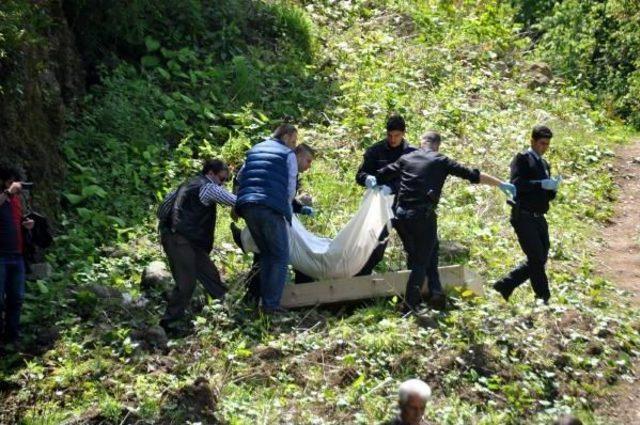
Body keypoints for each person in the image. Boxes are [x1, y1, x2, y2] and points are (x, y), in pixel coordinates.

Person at [377, 131, 516, 311]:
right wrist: (500, 184)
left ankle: (436, 294)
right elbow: (472, 175)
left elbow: (382, 174)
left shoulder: (407, 158)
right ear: (437, 145)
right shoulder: (440, 160)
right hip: (421, 216)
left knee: (431, 248)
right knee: (420, 261)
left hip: (400, 216)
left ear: (422, 143)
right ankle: (410, 305)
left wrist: (371, 179)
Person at [158, 159, 235, 331]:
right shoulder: (208, 187)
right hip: (180, 239)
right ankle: (169, 322)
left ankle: (227, 311)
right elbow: (235, 201)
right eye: (222, 179)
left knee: (210, 274)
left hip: (184, 238)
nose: (222, 184)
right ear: (211, 174)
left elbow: (162, 208)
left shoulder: (187, 184)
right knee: (186, 282)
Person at [235, 124, 299, 314]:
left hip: (247, 206)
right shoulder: (288, 155)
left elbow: (240, 176)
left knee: (266, 254)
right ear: (286, 136)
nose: (294, 146)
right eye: (294, 141)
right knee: (280, 256)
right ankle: (271, 306)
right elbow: (290, 188)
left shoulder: (255, 149)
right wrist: (286, 212)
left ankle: (263, 302)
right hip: (270, 207)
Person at [493, 125, 560, 304]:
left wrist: (552, 188)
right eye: (541, 143)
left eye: (547, 144)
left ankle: (505, 284)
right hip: (523, 215)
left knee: (540, 257)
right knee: (536, 258)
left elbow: (547, 194)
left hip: (539, 216)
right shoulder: (522, 158)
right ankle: (543, 296)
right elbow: (516, 183)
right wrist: (540, 184)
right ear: (532, 141)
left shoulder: (545, 164)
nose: (544, 147)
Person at [355, 114, 416, 275]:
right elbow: (360, 175)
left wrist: (392, 187)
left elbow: (414, 180)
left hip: (404, 205)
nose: (393, 139)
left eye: (397, 136)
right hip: (380, 208)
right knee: (374, 250)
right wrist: (367, 179)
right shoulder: (376, 151)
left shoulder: (413, 154)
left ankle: (415, 287)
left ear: (403, 134)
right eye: (390, 135)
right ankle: (361, 285)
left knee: (414, 247)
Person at [0, 163, 34, 347]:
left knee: (16, 297)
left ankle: (12, 337)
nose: (15, 185)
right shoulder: (6, 197)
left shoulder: (16, 201)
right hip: (1, 256)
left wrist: (25, 224)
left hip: (17, 255)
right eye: (10, 181)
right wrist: (7, 193)